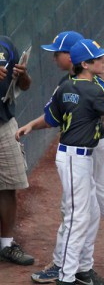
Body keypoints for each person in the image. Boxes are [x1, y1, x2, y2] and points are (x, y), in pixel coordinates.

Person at [16, 31, 104, 283]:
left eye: (58, 53)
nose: (54, 58)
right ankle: (79, 267)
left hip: (92, 149)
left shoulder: (91, 85)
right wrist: (32, 124)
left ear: (73, 57)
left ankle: (68, 269)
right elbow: (54, 116)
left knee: (80, 209)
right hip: (79, 153)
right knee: (89, 208)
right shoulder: (69, 85)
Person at [0, 35, 33, 266]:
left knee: (9, 186)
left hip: (4, 124)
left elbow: (24, 86)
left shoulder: (6, 45)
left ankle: (7, 244)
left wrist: (23, 75)